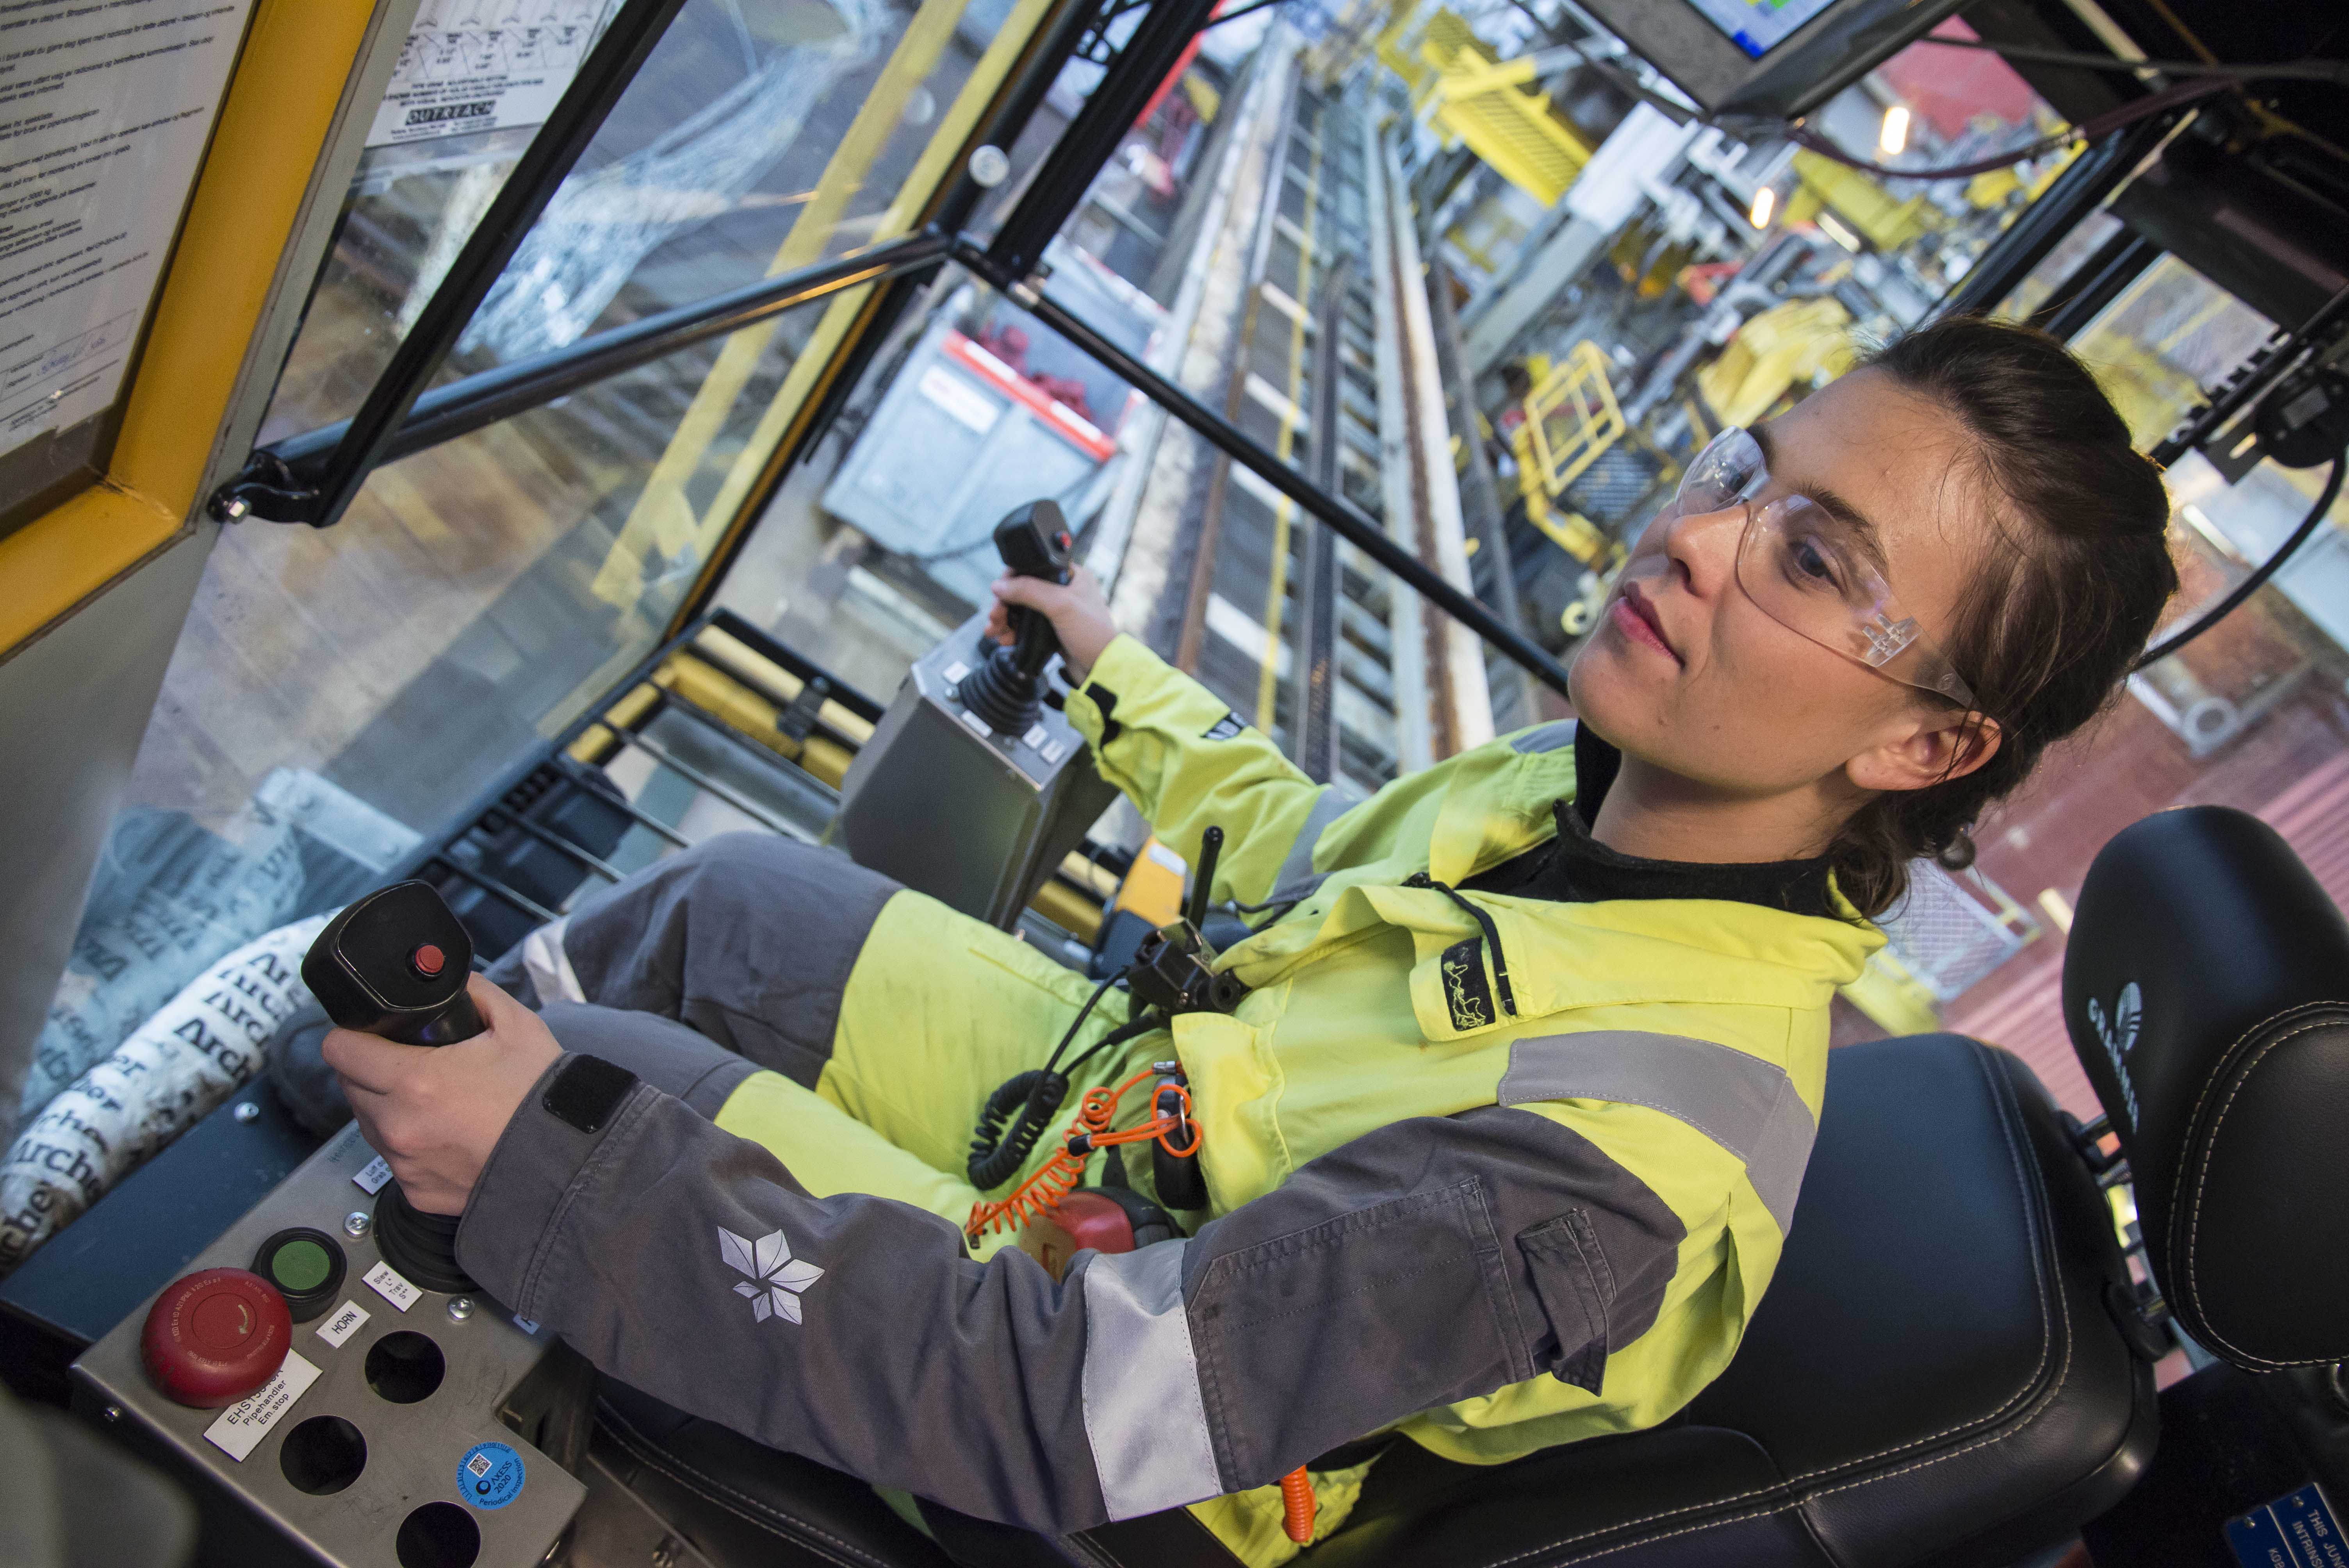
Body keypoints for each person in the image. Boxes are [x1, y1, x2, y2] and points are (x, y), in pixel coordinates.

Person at [323, 317, 2177, 1564]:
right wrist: (1112, 673)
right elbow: (1309, 859)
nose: (1695, 540)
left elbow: (1071, 1396)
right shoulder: (1588, 784)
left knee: (591, 1106)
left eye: (1814, 560)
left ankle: (408, 1194)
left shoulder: (1617, 1166)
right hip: (1120, 1139)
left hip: (1096, 1413)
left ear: (1921, 746)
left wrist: (561, 1163)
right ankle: (384, 1113)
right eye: (1740, 475)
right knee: (734, 900)